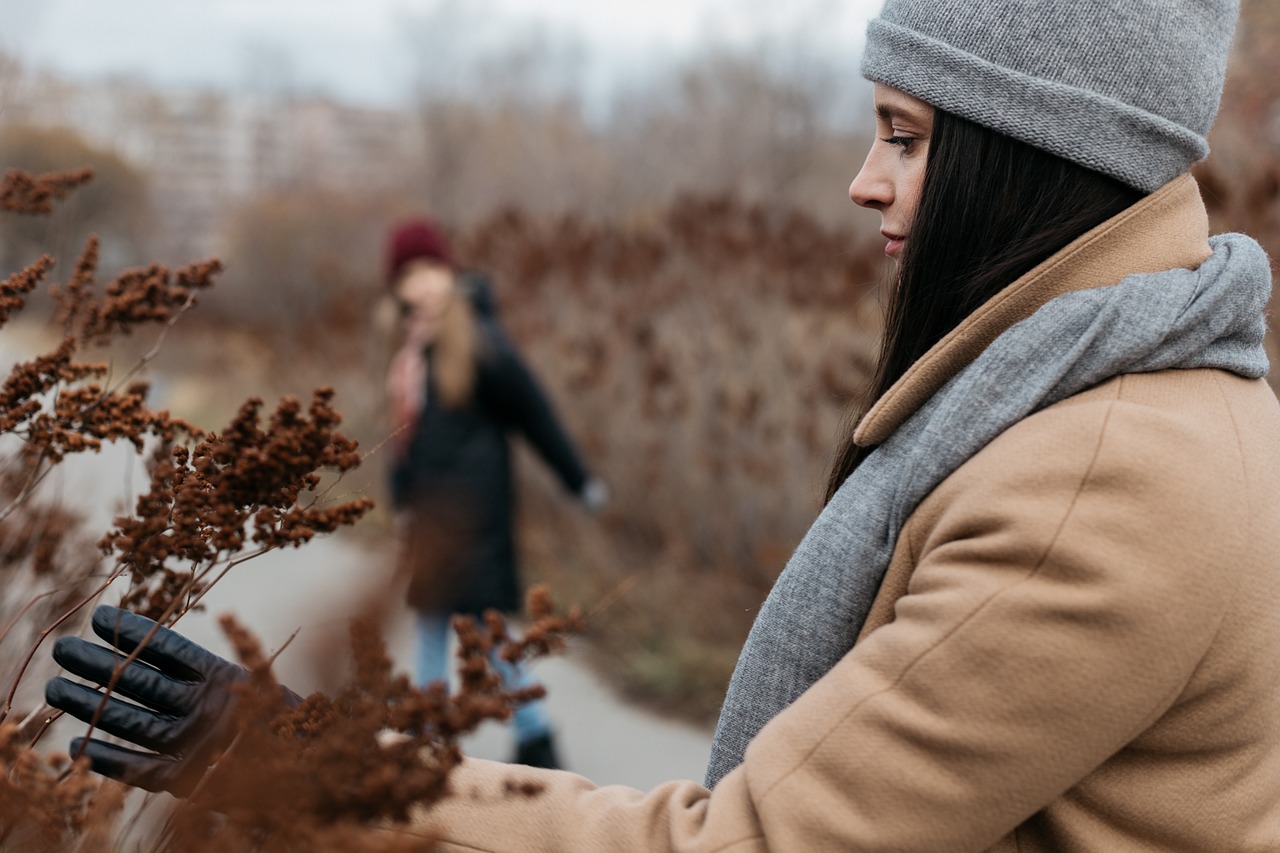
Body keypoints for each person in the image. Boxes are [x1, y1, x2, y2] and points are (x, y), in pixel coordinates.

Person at [45, 0, 1280, 848]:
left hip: (477, 552)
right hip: (441, 546)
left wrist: (314, 768)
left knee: (487, 672)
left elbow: (755, 840)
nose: (862, 178)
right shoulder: (1164, 400)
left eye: (904, 137)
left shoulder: (1094, 485)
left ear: (1029, 159)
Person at [382, 217, 607, 770]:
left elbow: (535, 414)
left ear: (450, 270)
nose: (426, 284)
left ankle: (465, 738)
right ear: (397, 287)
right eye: (411, 274)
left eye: (434, 269)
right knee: (445, 627)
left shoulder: (478, 341)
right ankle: (510, 737)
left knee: (481, 633)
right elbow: (407, 439)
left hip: (476, 518)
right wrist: (401, 499)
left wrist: (578, 480)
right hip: (434, 518)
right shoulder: (414, 349)